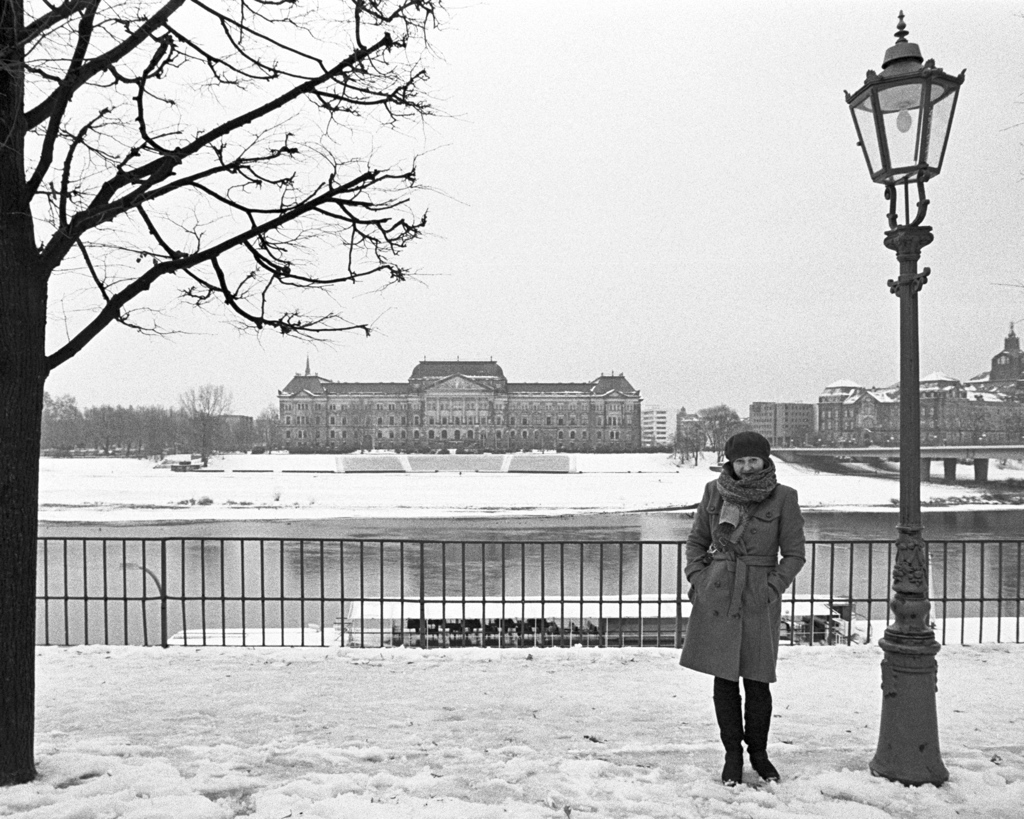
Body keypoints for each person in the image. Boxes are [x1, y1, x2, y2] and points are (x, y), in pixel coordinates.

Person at [679, 431, 806, 786]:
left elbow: (795, 554)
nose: (747, 467)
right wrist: (699, 578)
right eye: (740, 461)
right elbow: (696, 541)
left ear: (766, 460)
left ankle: (760, 755)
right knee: (724, 679)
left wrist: (771, 588)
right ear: (730, 464)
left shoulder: (784, 497)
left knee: (758, 680)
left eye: (753, 460)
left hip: (758, 597)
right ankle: (732, 756)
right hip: (718, 592)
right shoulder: (714, 492)